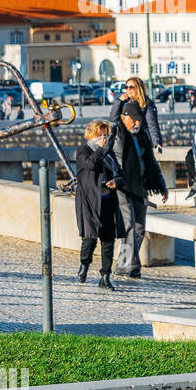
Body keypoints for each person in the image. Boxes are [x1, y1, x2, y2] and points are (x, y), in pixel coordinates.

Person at [112, 101, 167, 277]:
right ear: (124, 117)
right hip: (123, 187)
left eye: (139, 120)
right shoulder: (117, 133)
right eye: (134, 120)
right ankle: (133, 267)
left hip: (140, 187)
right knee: (129, 226)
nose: (138, 123)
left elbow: (151, 162)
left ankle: (122, 264)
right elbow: (107, 158)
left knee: (139, 228)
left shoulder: (142, 135)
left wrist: (161, 185)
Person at [74, 119, 121, 289]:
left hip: (108, 200)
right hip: (89, 202)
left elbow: (119, 173)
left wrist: (116, 181)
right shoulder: (83, 151)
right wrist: (101, 149)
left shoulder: (108, 153)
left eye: (106, 135)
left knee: (108, 240)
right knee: (90, 239)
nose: (104, 138)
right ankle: (84, 266)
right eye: (100, 135)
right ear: (92, 134)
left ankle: (105, 276)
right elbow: (90, 164)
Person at [109, 75, 163, 153]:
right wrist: (119, 101)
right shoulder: (123, 102)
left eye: (131, 87)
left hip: (141, 141)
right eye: (126, 87)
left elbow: (152, 125)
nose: (128, 90)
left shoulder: (147, 103)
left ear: (138, 88)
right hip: (124, 140)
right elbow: (113, 118)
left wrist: (157, 143)